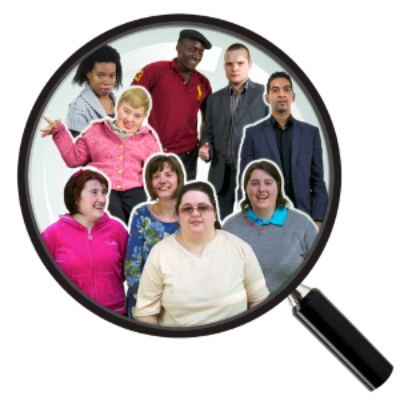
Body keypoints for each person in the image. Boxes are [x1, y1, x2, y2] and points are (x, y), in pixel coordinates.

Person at [134, 181, 269, 327]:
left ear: (215, 214)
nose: (195, 213)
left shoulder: (240, 248)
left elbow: (259, 301)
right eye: (187, 209)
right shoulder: (160, 253)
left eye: (203, 208)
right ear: (178, 216)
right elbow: (146, 314)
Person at [40, 87, 162, 225]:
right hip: (102, 186)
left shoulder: (148, 140)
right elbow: (74, 158)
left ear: (144, 117)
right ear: (117, 107)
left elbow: (157, 169)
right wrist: (59, 132)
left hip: (134, 187)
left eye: (137, 116)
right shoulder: (97, 131)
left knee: (143, 219)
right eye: (126, 111)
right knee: (114, 219)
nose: (130, 119)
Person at [238, 71, 328, 229]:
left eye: (286, 89)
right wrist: (246, 220)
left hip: (303, 216)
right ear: (267, 98)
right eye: (275, 90)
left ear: (293, 97)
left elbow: (318, 181)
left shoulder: (311, 133)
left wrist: (318, 220)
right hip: (264, 218)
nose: (281, 94)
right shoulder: (253, 134)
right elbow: (245, 182)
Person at [223, 160, 318, 295]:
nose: (261, 189)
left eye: (268, 183)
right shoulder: (229, 227)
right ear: (246, 188)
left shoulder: (303, 225)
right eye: (255, 183)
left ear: (278, 187)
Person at [41, 169, 129, 314]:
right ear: (76, 197)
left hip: (115, 314)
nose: (102, 199)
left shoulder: (117, 229)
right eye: (94, 192)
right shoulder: (52, 234)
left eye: (103, 192)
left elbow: (128, 270)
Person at [199, 43, 269, 221]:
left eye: (240, 63)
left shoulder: (264, 95)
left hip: (252, 175)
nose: (234, 68)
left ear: (249, 65)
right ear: (224, 66)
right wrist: (206, 149)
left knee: (253, 225)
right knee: (220, 227)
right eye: (229, 64)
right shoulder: (214, 99)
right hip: (221, 176)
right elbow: (208, 133)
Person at [131, 29, 213, 181]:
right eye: (192, 49)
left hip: (188, 155)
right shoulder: (155, 70)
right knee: (153, 200)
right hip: (156, 152)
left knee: (184, 202)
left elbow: (208, 120)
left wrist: (205, 143)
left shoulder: (203, 82)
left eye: (200, 52)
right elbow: (130, 103)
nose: (196, 56)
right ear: (178, 48)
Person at [124, 154, 185, 319]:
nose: (162, 180)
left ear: (179, 178)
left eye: (168, 174)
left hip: (182, 303)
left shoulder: (190, 215)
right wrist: (148, 300)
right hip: (144, 301)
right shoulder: (141, 214)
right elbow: (132, 265)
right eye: (156, 176)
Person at [65, 45, 123, 138]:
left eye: (112, 76)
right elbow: (80, 149)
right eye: (100, 75)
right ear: (88, 73)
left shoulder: (119, 102)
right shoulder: (78, 110)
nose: (107, 82)